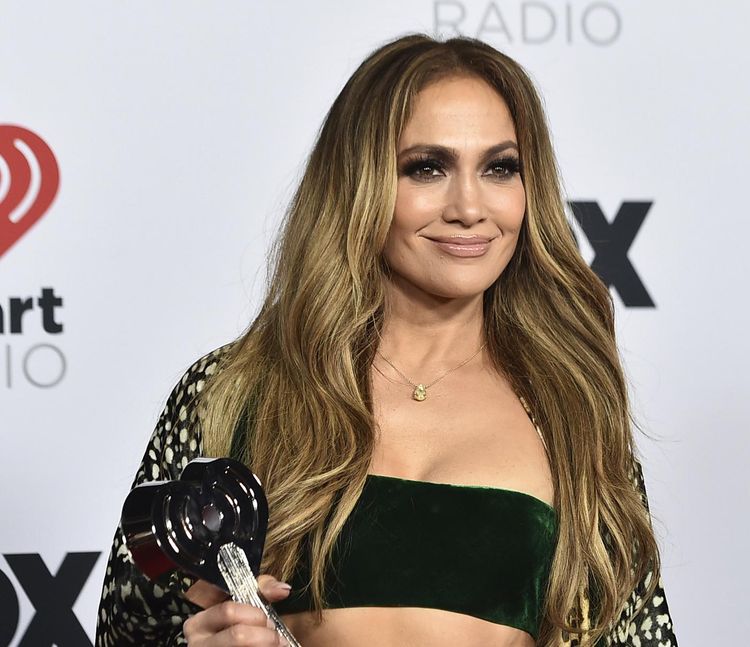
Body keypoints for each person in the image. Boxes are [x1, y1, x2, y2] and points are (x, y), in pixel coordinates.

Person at [95, 33, 677, 647]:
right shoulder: (233, 392)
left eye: (500, 168)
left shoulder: (569, 406)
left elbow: (636, 632)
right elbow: (125, 633)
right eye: (428, 168)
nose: (470, 207)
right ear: (360, 184)